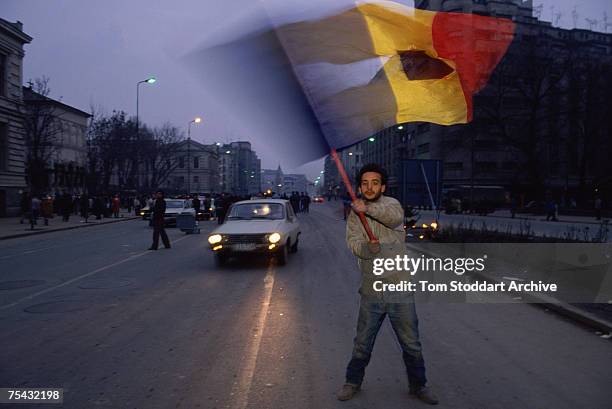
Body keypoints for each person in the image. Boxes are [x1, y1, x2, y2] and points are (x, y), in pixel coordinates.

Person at [337, 163, 438, 405]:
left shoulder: (391, 205)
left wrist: (368, 210)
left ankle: (418, 386)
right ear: (360, 186)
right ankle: (352, 382)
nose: (369, 187)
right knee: (362, 343)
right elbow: (353, 243)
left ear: (382, 186)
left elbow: (394, 219)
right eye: (364, 183)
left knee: (411, 343)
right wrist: (366, 248)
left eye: (374, 183)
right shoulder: (354, 215)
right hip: (372, 290)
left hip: (399, 288)